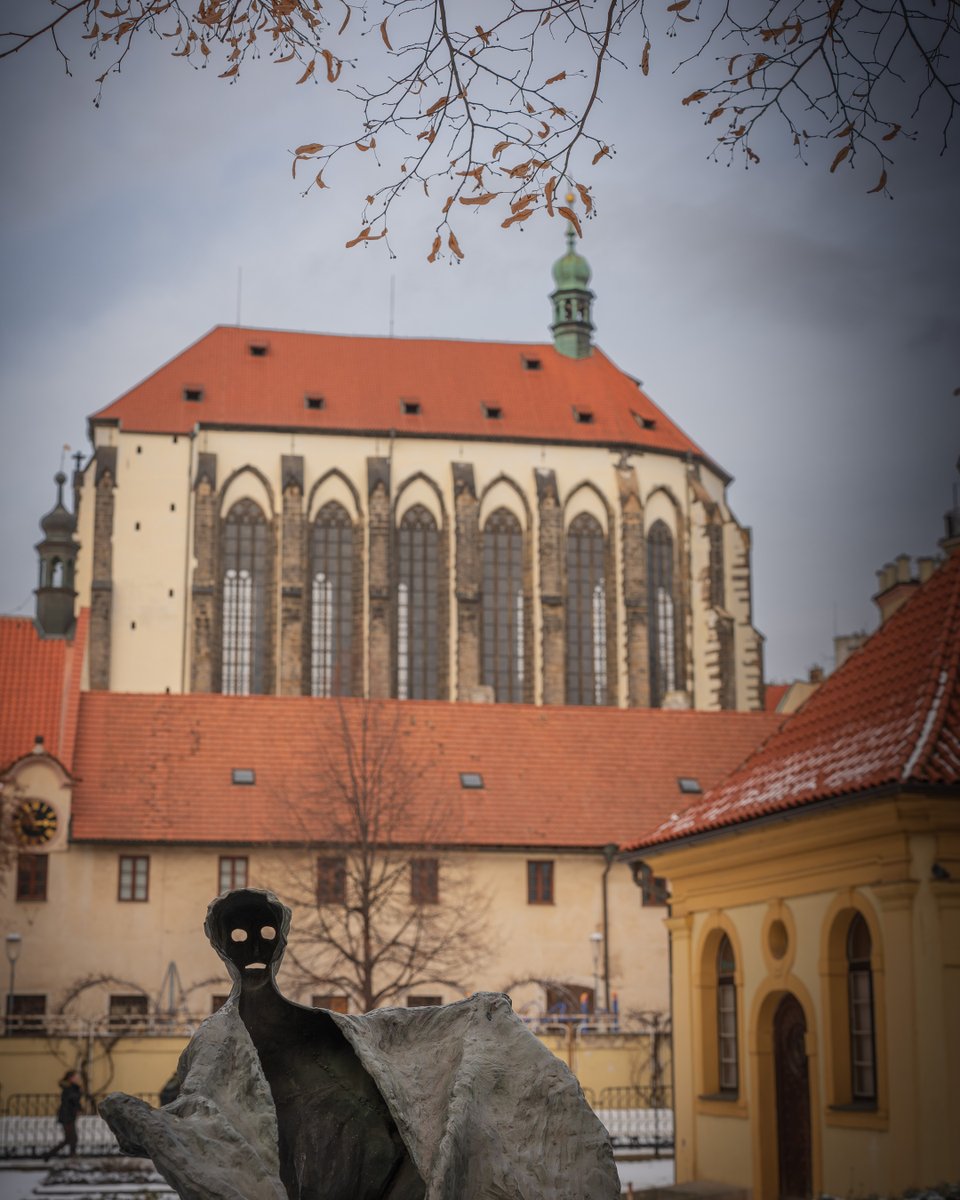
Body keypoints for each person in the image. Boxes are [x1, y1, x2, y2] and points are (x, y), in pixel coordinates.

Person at [46, 1070, 83, 1159]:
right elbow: (71, 1100)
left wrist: (79, 1108)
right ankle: (72, 1155)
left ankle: (49, 1155)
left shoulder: (73, 1087)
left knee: (69, 1139)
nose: (77, 1078)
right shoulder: (69, 1088)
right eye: (75, 1076)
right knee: (72, 1138)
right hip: (67, 1116)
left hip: (70, 1115)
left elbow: (75, 1101)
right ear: (70, 1078)